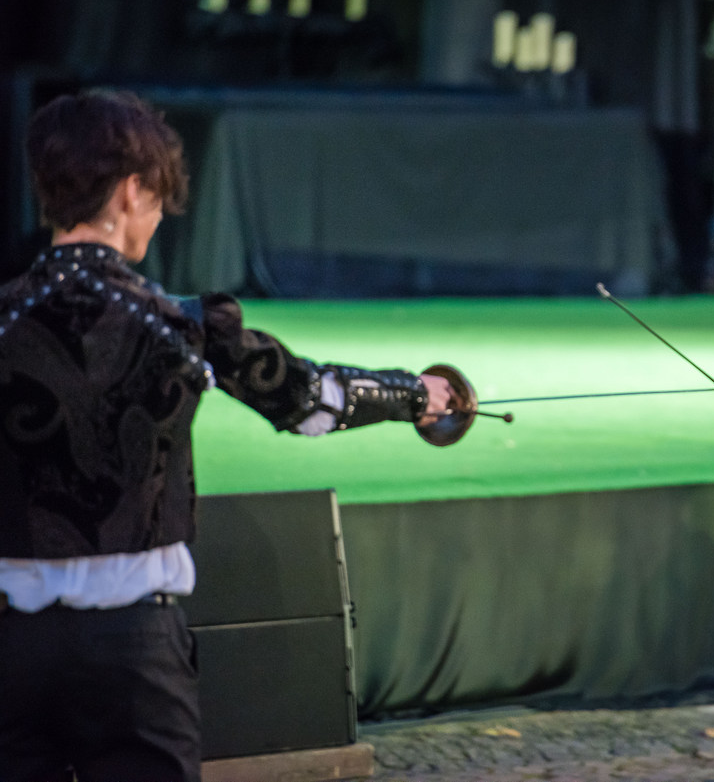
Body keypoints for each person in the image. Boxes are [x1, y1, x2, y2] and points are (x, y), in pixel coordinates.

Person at [0, 90, 462, 781]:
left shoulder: (6, 321)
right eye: (158, 197)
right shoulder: (179, 324)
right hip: (134, 651)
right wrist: (416, 394)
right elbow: (310, 401)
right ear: (130, 191)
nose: (160, 216)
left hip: (13, 648)